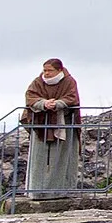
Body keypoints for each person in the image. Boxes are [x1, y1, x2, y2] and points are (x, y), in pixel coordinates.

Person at [22, 58, 82, 194]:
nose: (47, 73)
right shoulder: (38, 82)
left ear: (59, 70)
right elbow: (30, 97)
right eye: (45, 70)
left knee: (63, 158)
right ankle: (37, 191)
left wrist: (57, 103)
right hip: (41, 125)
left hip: (64, 125)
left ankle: (62, 190)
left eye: (50, 71)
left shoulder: (69, 81)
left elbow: (72, 98)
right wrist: (43, 103)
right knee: (39, 160)